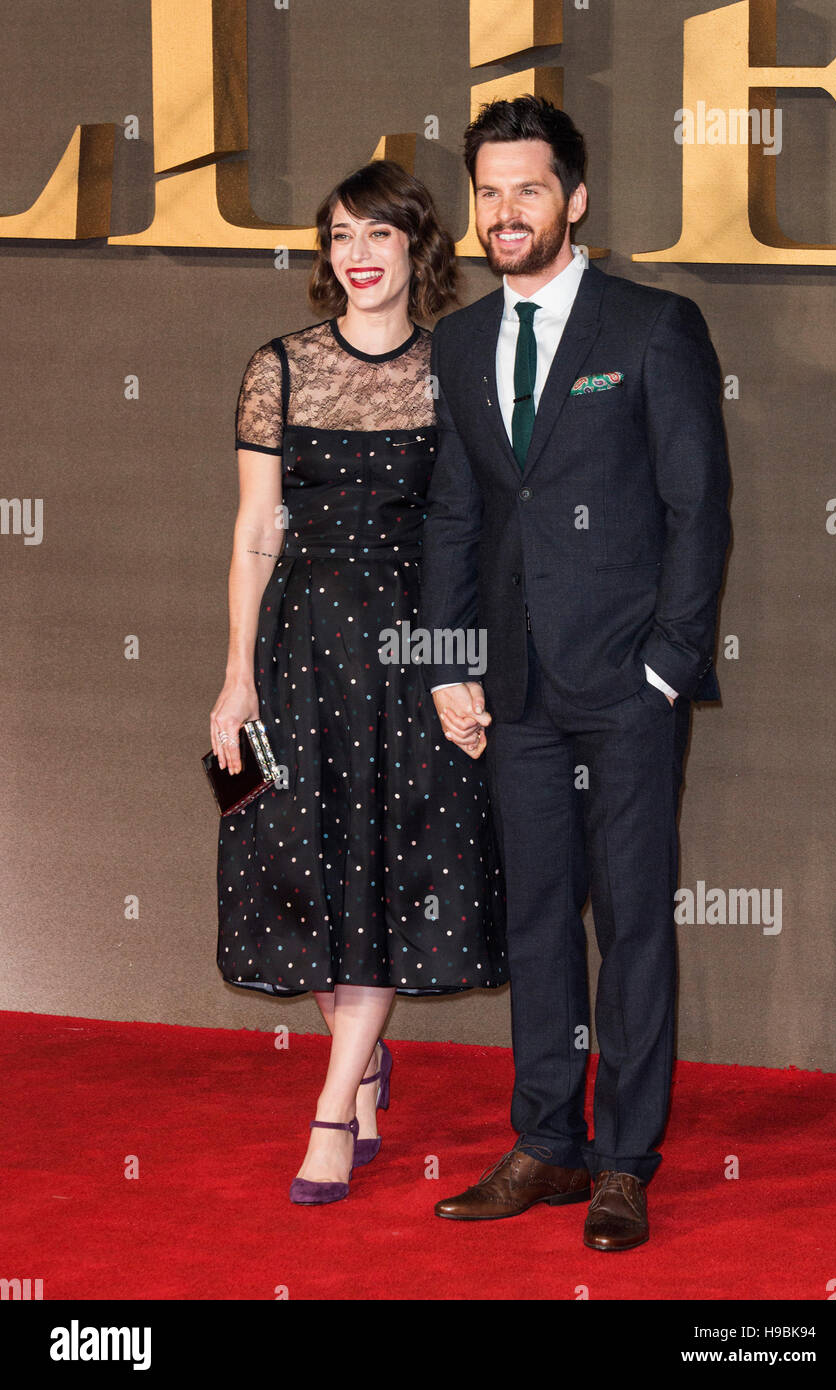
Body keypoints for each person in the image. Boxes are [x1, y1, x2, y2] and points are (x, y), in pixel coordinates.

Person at [420, 96, 731, 1249]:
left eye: (528, 189)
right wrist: (450, 665)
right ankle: (546, 1140)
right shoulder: (456, 341)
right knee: (538, 918)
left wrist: (664, 666)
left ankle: (622, 1160)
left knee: (633, 922)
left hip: (624, 686)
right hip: (511, 692)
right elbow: (453, 517)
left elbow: (699, 511)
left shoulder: (650, 327)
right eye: (489, 191)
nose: (506, 212)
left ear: (576, 198)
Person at [210, 160, 507, 1206]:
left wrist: (455, 669)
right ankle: (365, 1060)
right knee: (315, 862)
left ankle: (331, 1109)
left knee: (390, 861)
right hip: (298, 649)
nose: (357, 256)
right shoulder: (277, 369)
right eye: (340, 236)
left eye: (378, 236)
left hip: (414, 655)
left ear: (415, 250)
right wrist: (235, 675)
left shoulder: (456, 364)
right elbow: (256, 530)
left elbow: (471, 535)